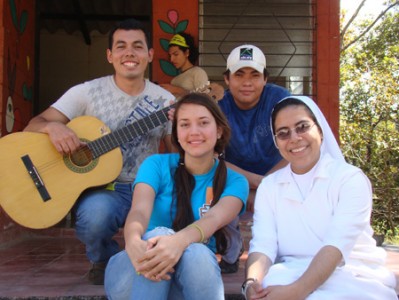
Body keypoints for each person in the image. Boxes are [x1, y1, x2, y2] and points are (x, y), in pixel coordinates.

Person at [23, 18, 174, 285]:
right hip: (104, 188)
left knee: (166, 227)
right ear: (109, 55)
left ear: (150, 55)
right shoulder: (85, 93)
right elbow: (32, 126)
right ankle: (103, 258)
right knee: (95, 217)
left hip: (147, 187)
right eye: (121, 46)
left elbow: (177, 155)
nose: (129, 53)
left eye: (138, 46)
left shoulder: (165, 101)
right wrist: (52, 129)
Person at [242, 96, 397, 300]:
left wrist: (296, 292)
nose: (294, 138)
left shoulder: (349, 180)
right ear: (276, 142)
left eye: (302, 127)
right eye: (283, 133)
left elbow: (336, 247)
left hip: (352, 275)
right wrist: (252, 283)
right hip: (291, 273)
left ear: (320, 131)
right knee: (271, 284)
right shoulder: (269, 187)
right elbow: (263, 244)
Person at [104, 93, 249, 299]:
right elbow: (139, 211)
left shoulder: (235, 182)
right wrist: (133, 241)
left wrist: (176, 242)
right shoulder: (155, 165)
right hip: (133, 273)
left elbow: (213, 219)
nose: (194, 132)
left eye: (203, 123)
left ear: (219, 131)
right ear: (177, 134)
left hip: (189, 279)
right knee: (155, 238)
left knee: (196, 251)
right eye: (184, 124)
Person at [217, 44, 291, 273]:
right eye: (239, 74)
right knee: (210, 185)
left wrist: (266, 184)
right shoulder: (218, 107)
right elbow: (210, 157)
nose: (247, 82)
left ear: (265, 78)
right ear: (227, 79)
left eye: (254, 75)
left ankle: (289, 254)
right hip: (234, 178)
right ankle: (231, 250)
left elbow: (295, 149)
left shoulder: (280, 101)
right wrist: (252, 182)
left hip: (279, 176)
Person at [160, 33, 209, 97]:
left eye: (176, 54)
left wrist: (178, 90)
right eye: (170, 55)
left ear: (186, 53)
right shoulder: (174, 81)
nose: (171, 59)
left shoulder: (198, 73)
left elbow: (205, 99)